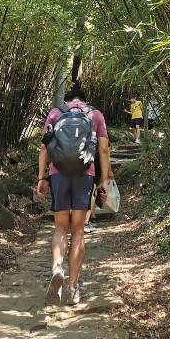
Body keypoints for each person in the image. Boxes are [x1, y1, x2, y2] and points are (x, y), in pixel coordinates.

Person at [37, 84, 110, 306]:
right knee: (78, 230)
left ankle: (57, 268)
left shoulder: (55, 113)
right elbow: (104, 150)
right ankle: (72, 288)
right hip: (84, 174)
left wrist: (41, 178)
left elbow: (44, 148)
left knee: (60, 226)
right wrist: (104, 181)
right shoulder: (95, 114)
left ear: (67, 100)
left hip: (58, 174)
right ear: (84, 100)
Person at [84, 136, 112, 234]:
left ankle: (91, 216)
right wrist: (109, 170)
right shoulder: (100, 125)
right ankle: (87, 220)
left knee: (91, 190)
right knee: (92, 191)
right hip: (98, 161)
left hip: (86, 159)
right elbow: (106, 151)